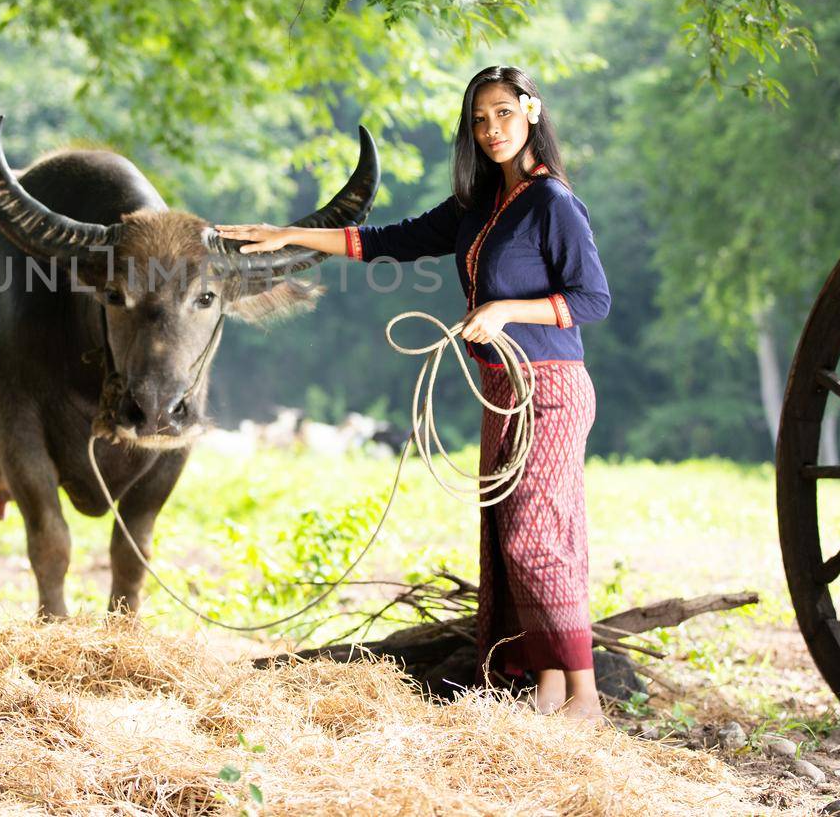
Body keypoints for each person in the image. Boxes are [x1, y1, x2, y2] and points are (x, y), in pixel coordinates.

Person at [215, 65, 611, 721]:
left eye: (503, 113)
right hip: (499, 386)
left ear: (532, 111)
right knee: (506, 531)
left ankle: (586, 698)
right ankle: (547, 688)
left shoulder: (555, 203)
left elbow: (593, 298)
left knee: (536, 537)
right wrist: (288, 235)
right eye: (479, 119)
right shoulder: (478, 207)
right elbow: (385, 241)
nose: (491, 129)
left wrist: (509, 310)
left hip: (553, 388)